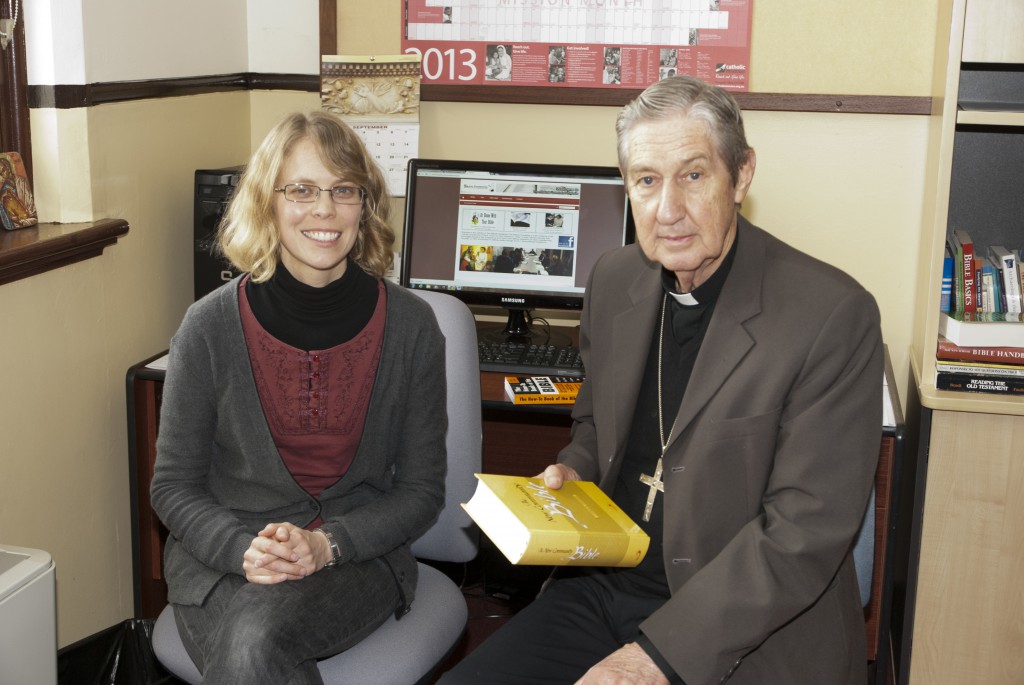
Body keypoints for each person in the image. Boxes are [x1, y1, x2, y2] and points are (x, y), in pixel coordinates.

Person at [438, 75, 882, 684]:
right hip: (605, 588)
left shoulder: (830, 314)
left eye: (693, 175)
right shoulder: (616, 278)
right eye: (646, 181)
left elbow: (802, 534)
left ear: (742, 174)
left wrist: (658, 657)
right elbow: (597, 427)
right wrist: (574, 475)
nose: (667, 210)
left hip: (744, 622)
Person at [151, 110, 448, 684]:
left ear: (365, 206)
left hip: (353, 558)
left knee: (251, 644)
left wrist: (327, 545)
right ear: (268, 202)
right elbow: (173, 486)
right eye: (302, 190)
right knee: (252, 649)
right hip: (224, 560)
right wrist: (244, 549)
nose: (324, 210)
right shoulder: (207, 327)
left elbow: (420, 491)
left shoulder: (412, 327)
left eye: (343, 190)